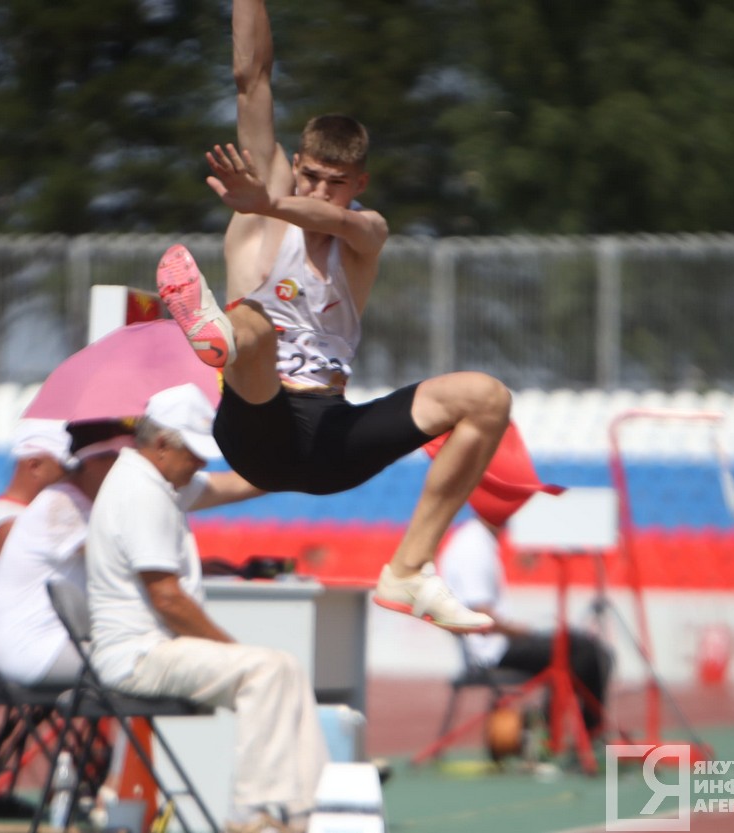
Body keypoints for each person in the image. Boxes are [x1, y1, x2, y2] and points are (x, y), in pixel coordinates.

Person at [156, 0, 512, 633]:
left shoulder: (364, 233)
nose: (320, 190)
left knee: (486, 398)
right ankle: (217, 336)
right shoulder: (260, 206)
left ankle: (408, 571)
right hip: (256, 428)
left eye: (337, 182)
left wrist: (273, 200)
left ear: (359, 183)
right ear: (297, 164)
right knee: (256, 325)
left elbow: (339, 221)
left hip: (329, 442)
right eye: (312, 176)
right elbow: (253, 78)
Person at [86, 383, 323, 833]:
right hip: (138, 655)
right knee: (266, 670)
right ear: (160, 444)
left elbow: (228, 486)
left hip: (150, 649)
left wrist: (297, 471)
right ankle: (253, 815)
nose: (200, 462)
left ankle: (304, 807)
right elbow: (168, 599)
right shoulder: (143, 494)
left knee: (286, 666)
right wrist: (229, 648)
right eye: (193, 452)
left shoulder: (154, 479)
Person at [438, 514, 613, 736]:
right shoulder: (473, 546)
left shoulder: (476, 540)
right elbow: (479, 611)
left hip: (495, 643)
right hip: (492, 650)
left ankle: (552, 729)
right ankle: (570, 733)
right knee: (586, 652)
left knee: (580, 651)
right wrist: (520, 631)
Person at [0, 421, 132, 687]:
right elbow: (121, 556)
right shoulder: (56, 508)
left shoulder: (48, 508)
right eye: (68, 466)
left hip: (37, 642)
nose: (72, 473)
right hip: (36, 648)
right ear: (34, 465)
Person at [0, 418, 77, 589]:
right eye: (65, 469)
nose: (73, 477)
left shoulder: (18, 517)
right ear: (35, 466)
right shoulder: (8, 525)